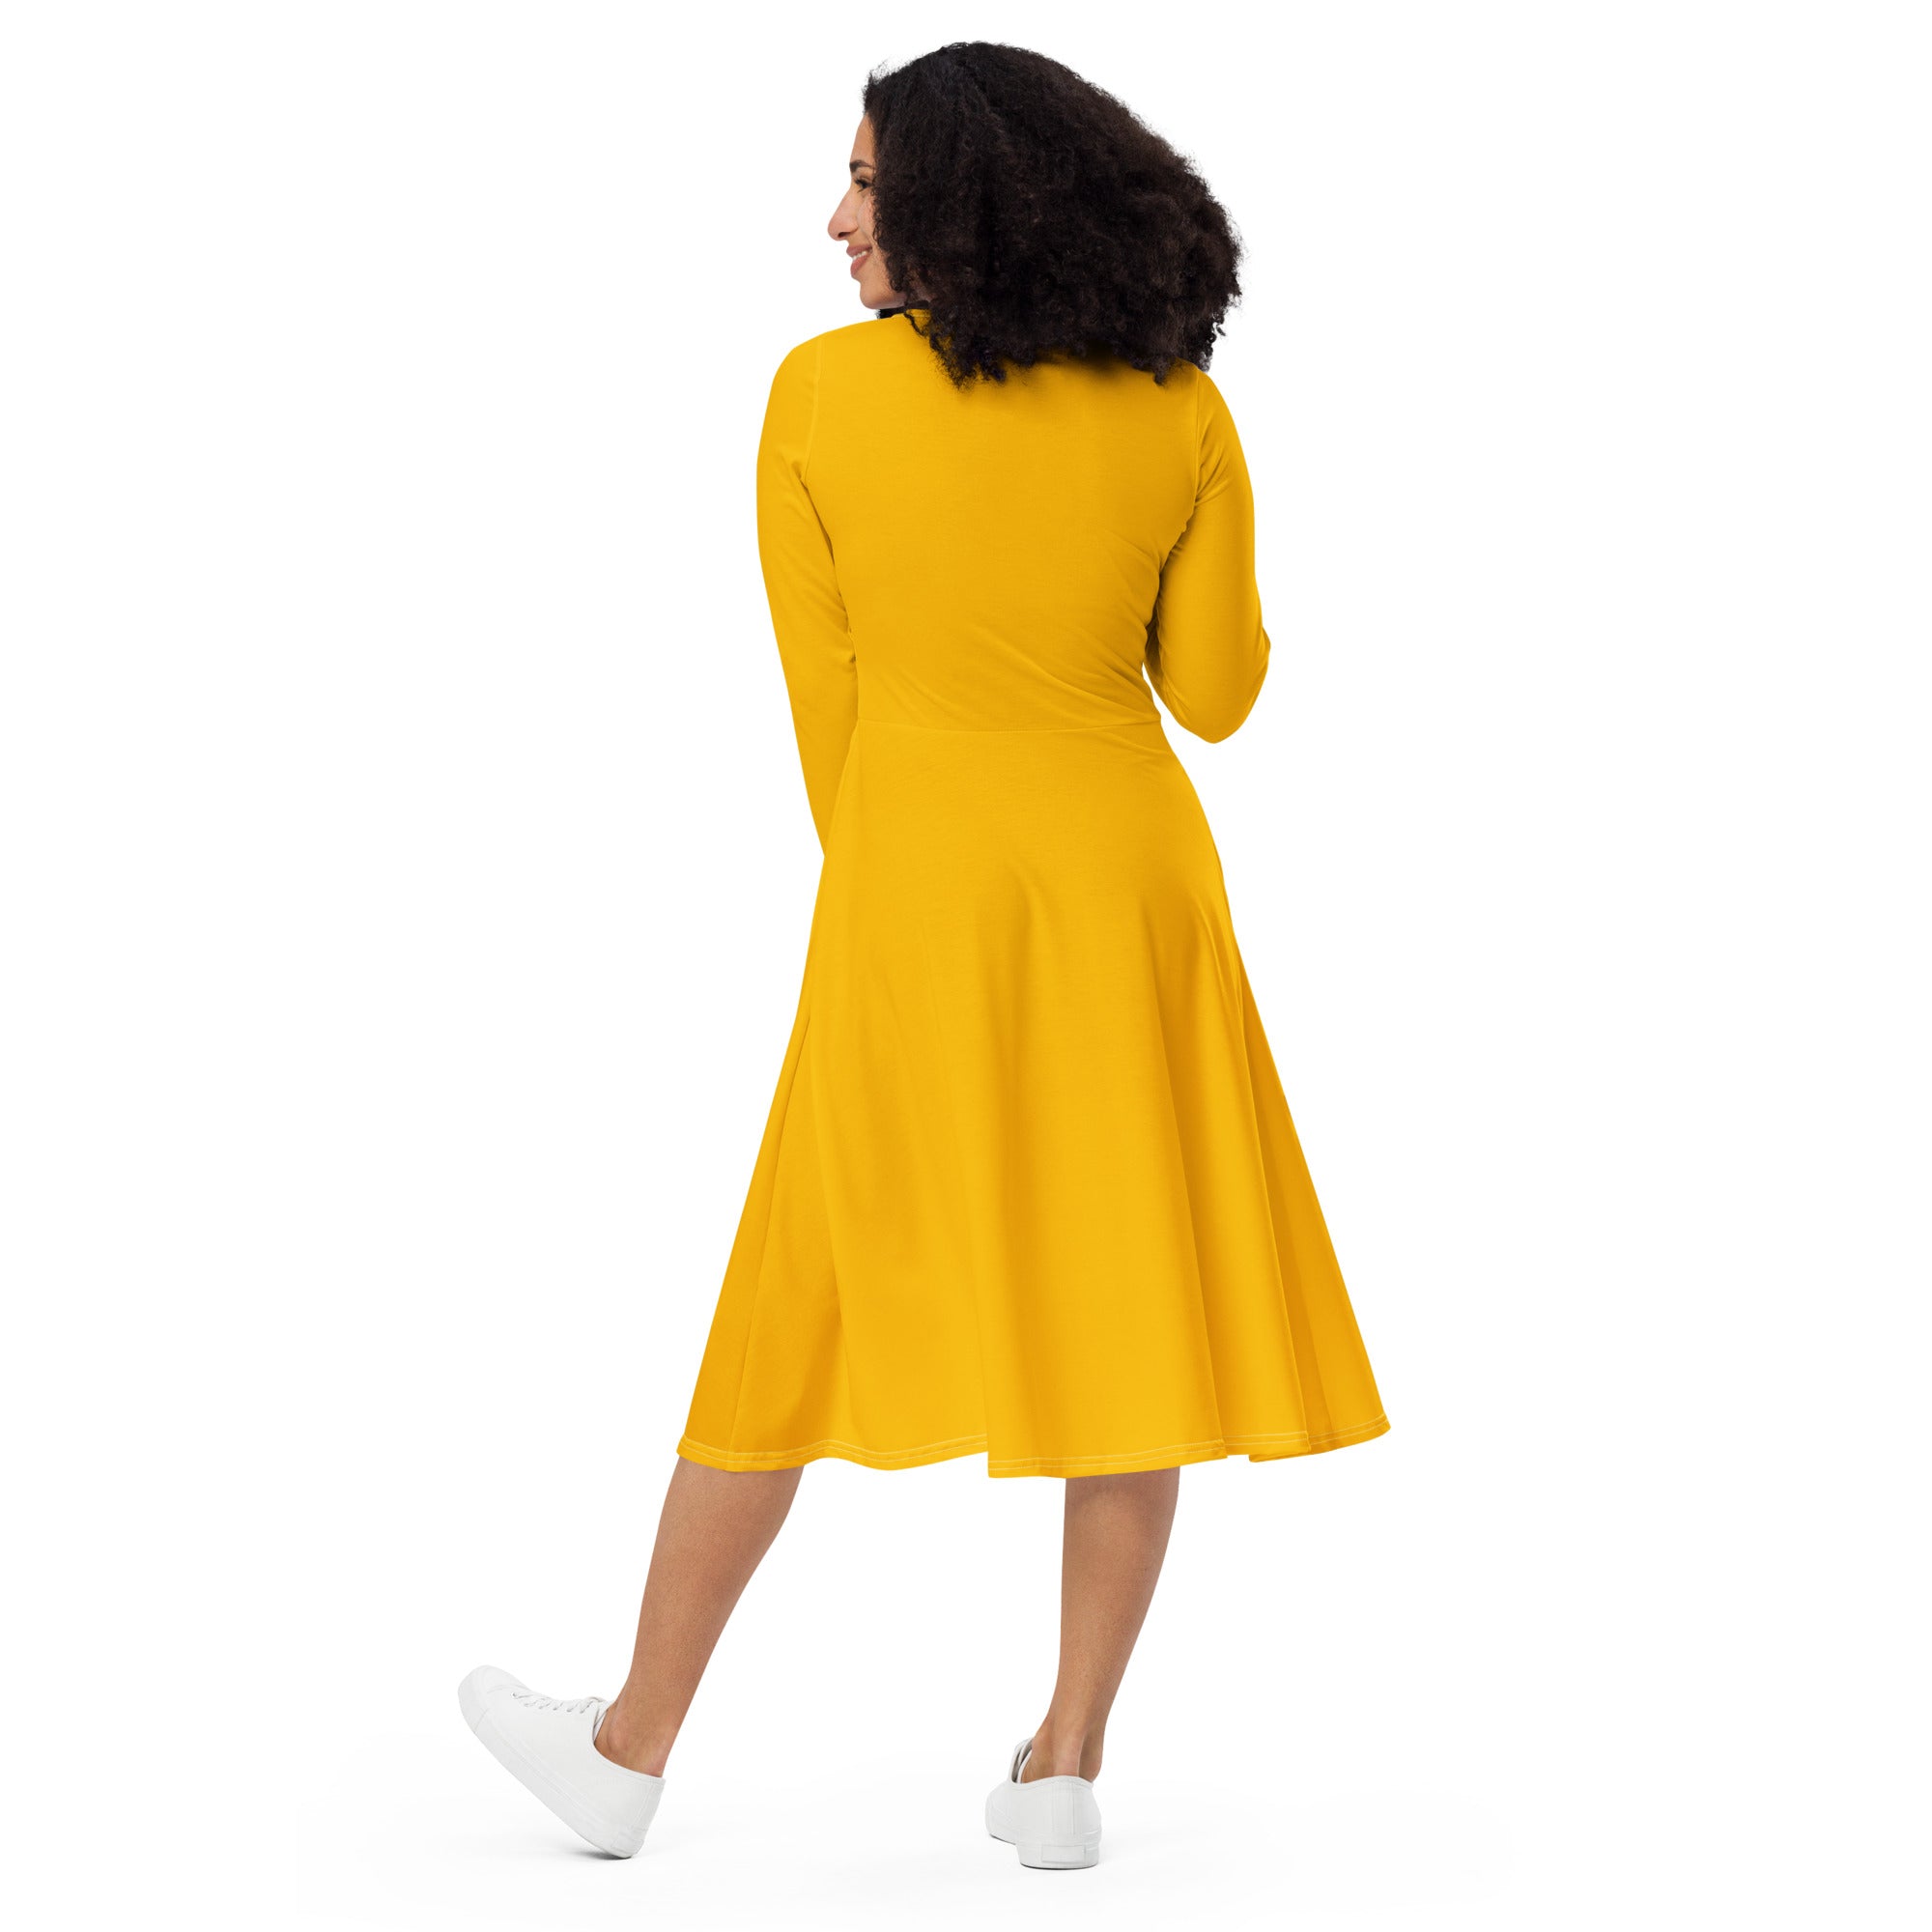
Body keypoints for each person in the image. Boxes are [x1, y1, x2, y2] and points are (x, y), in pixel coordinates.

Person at [458, 41, 1390, 1871]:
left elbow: (832, 724)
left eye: (868, 184)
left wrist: (901, 893)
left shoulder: (817, 397)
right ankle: (1062, 1768)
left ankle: (630, 1747)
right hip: (1131, 893)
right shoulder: (1179, 406)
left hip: (912, 887)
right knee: (1127, 1301)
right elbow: (1216, 695)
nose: (836, 218)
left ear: (964, 200)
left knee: (791, 1300)